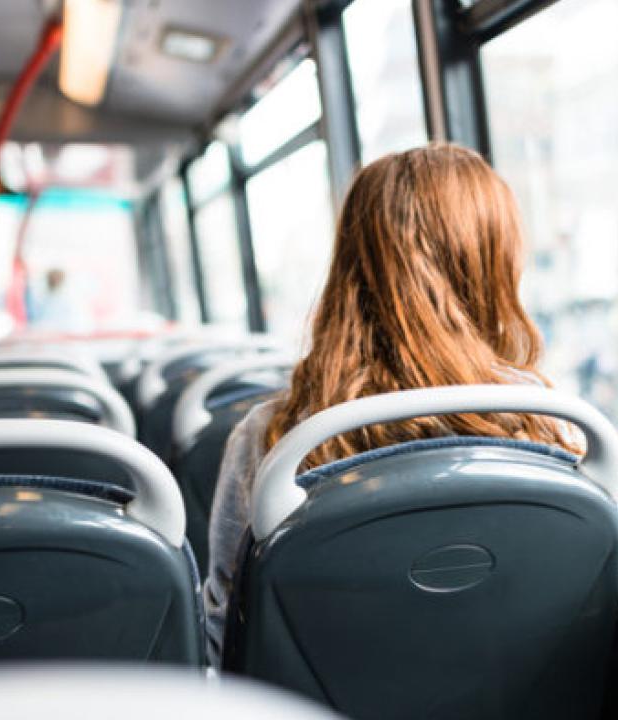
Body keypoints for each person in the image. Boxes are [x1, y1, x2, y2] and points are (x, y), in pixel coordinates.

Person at [203, 143, 586, 657]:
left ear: (349, 270)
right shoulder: (549, 426)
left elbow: (226, 633)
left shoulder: (272, 442)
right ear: (494, 263)